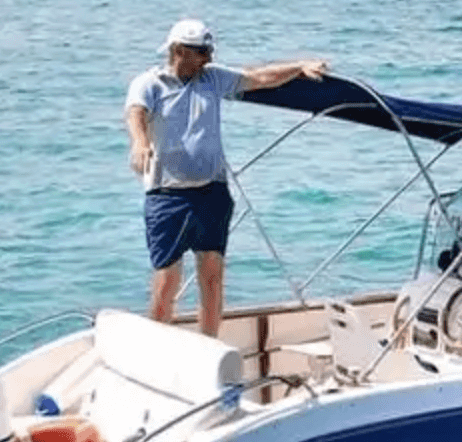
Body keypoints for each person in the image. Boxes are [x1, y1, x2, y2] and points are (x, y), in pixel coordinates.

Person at [125, 19, 329, 336]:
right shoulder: (149, 83)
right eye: (202, 51)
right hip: (168, 196)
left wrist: (300, 67)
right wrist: (140, 142)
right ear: (179, 51)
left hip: (212, 193)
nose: (208, 57)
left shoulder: (213, 78)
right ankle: (154, 346)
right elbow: (135, 112)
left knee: (212, 278)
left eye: (210, 51)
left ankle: (209, 344)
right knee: (166, 285)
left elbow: (259, 77)